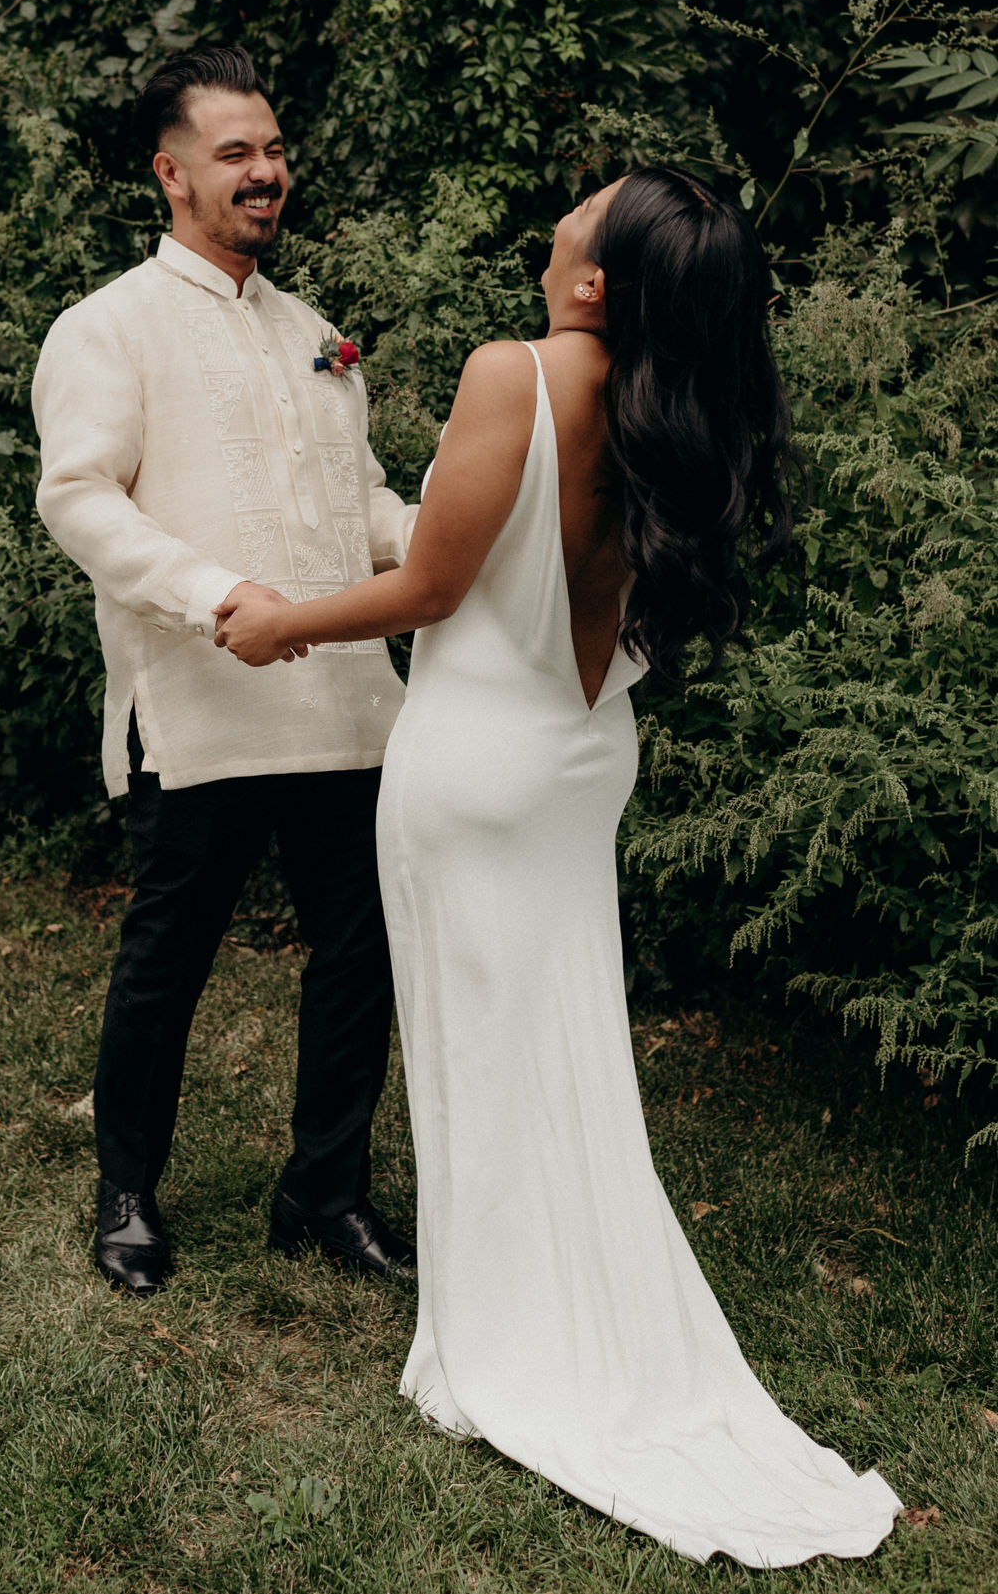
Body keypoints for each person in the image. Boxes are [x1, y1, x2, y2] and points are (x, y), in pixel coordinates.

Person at [215, 168, 902, 1566]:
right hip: (582, 753)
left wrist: (279, 623)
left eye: (581, 216)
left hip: (471, 763)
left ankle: (494, 1342)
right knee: (562, 1047)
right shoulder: (677, 399)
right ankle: (559, 1301)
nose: (562, 220)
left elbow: (431, 589)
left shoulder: (517, 370)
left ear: (595, 280)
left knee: (481, 1049)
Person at [31, 44, 418, 1299]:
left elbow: (364, 510)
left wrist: (474, 547)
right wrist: (213, 596)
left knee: (363, 952)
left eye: (273, 149)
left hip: (351, 707)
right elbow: (79, 500)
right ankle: (127, 1190)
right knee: (168, 960)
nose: (267, 173)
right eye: (236, 154)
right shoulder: (106, 328)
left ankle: (324, 1190)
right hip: (198, 709)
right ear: (172, 175)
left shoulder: (313, 334)